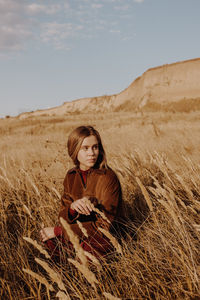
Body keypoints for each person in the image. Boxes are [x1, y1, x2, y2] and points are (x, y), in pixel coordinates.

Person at [40, 125, 124, 259]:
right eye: (85, 148)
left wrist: (59, 231)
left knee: (87, 250)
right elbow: (62, 216)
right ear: (74, 150)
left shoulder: (108, 177)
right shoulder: (71, 175)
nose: (91, 153)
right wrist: (72, 208)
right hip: (79, 233)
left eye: (95, 147)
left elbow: (105, 226)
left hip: (104, 238)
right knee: (48, 240)